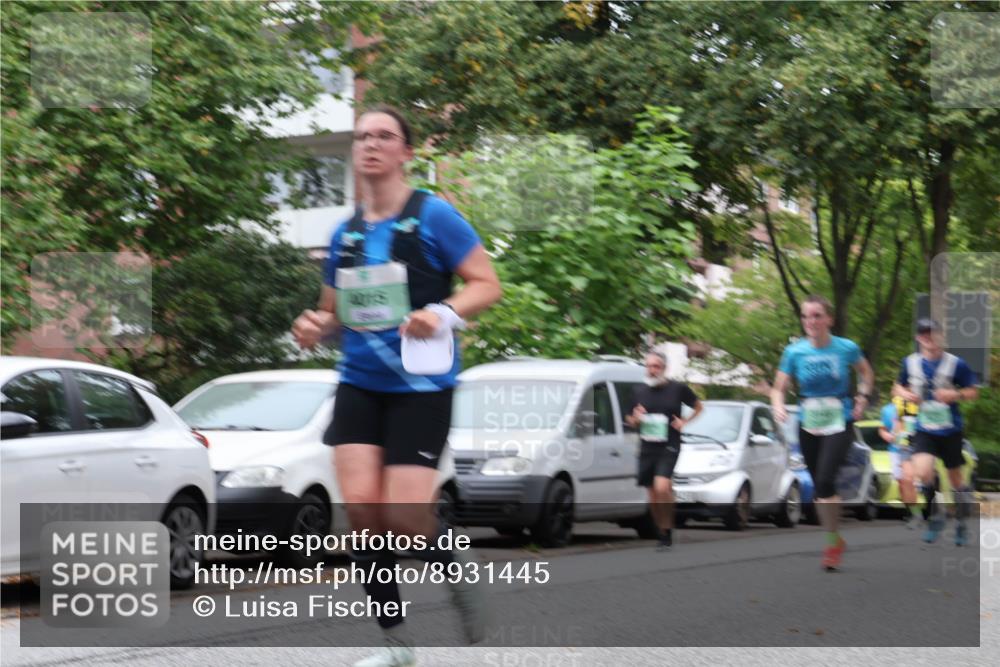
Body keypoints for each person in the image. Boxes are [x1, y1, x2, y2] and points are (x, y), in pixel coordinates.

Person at [292, 105, 502, 667]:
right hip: (360, 382)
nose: (371, 145)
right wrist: (315, 327)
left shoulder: (433, 216)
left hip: (421, 388)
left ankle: (452, 563)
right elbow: (334, 316)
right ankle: (396, 645)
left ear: (406, 151)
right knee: (362, 512)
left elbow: (486, 284)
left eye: (384, 136)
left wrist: (443, 313)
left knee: (405, 522)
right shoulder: (347, 234)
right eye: (362, 137)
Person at [771, 295, 875, 571]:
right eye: (806, 316)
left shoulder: (846, 348)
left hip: (839, 418)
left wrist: (862, 397)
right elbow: (778, 388)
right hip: (808, 421)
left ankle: (831, 546)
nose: (811, 322)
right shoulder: (794, 352)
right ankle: (834, 538)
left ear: (829, 319)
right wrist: (778, 406)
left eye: (817, 316)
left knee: (827, 479)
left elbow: (866, 373)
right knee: (820, 487)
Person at [892, 318, 979, 546]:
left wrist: (956, 395)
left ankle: (960, 522)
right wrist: (904, 393)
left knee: (955, 479)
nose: (928, 337)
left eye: (933, 333)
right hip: (924, 429)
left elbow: (973, 391)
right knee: (923, 472)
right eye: (923, 333)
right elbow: (897, 386)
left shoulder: (956, 364)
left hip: (950, 429)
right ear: (918, 337)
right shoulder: (909, 363)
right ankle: (937, 516)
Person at [624, 351, 703, 552]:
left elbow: (699, 407)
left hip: (670, 444)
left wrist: (684, 421)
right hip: (648, 445)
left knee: (661, 486)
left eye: (656, 366)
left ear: (664, 368)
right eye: (648, 366)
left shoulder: (677, 389)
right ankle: (662, 530)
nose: (651, 370)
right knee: (652, 492)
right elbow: (630, 421)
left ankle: (667, 529)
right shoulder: (638, 391)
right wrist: (636, 418)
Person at [878, 396, 922, 528]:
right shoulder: (887, 409)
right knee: (901, 482)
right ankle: (909, 510)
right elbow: (882, 429)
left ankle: (916, 514)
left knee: (908, 480)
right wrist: (887, 436)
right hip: (895, 449)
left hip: (914, 448)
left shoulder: (918, 406)